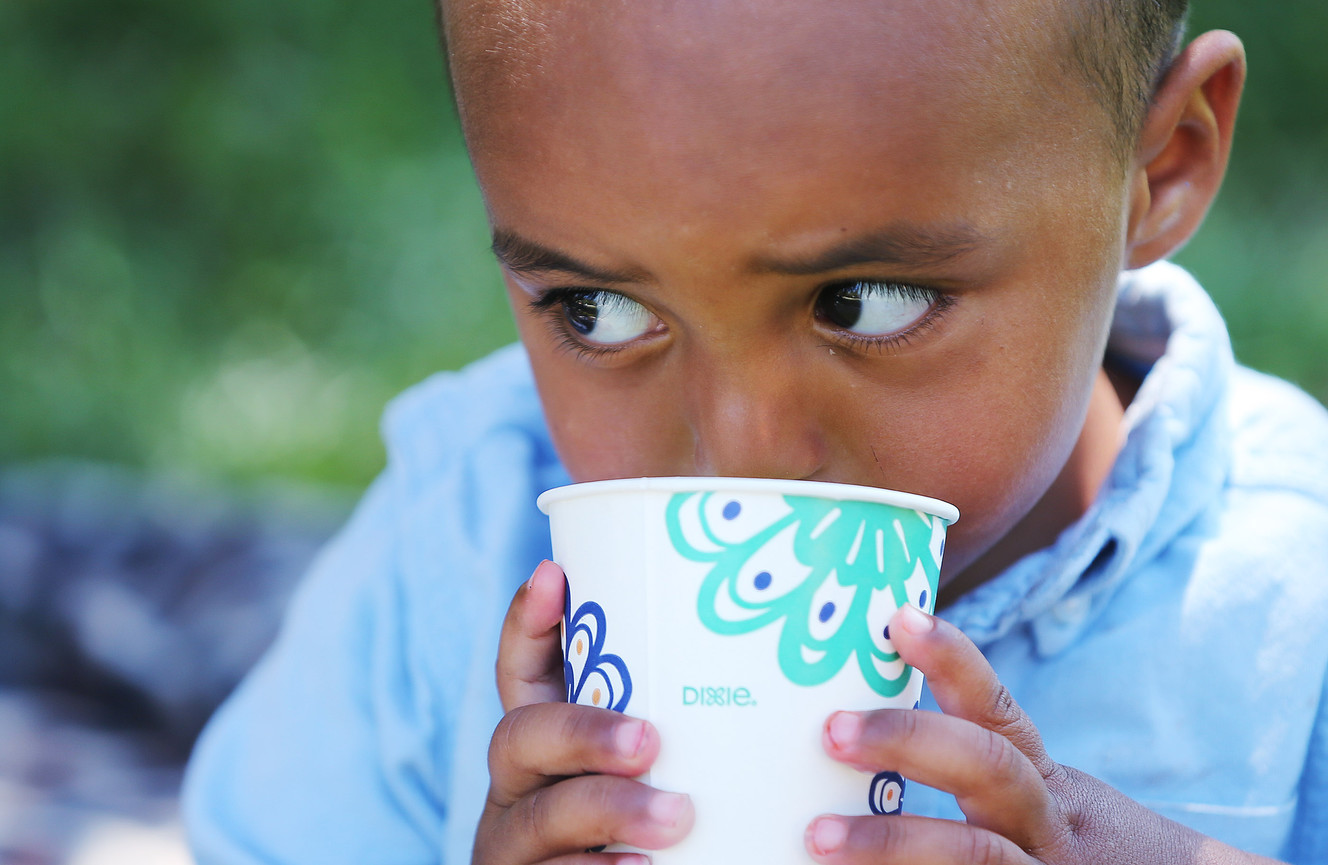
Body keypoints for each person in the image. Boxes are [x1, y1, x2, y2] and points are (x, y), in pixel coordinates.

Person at [182, 0, 1328, 862]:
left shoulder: (1295, 595)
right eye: (599, 310)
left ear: (1159, 165)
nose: (738, 451)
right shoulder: (457, 539)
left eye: (864, 301)